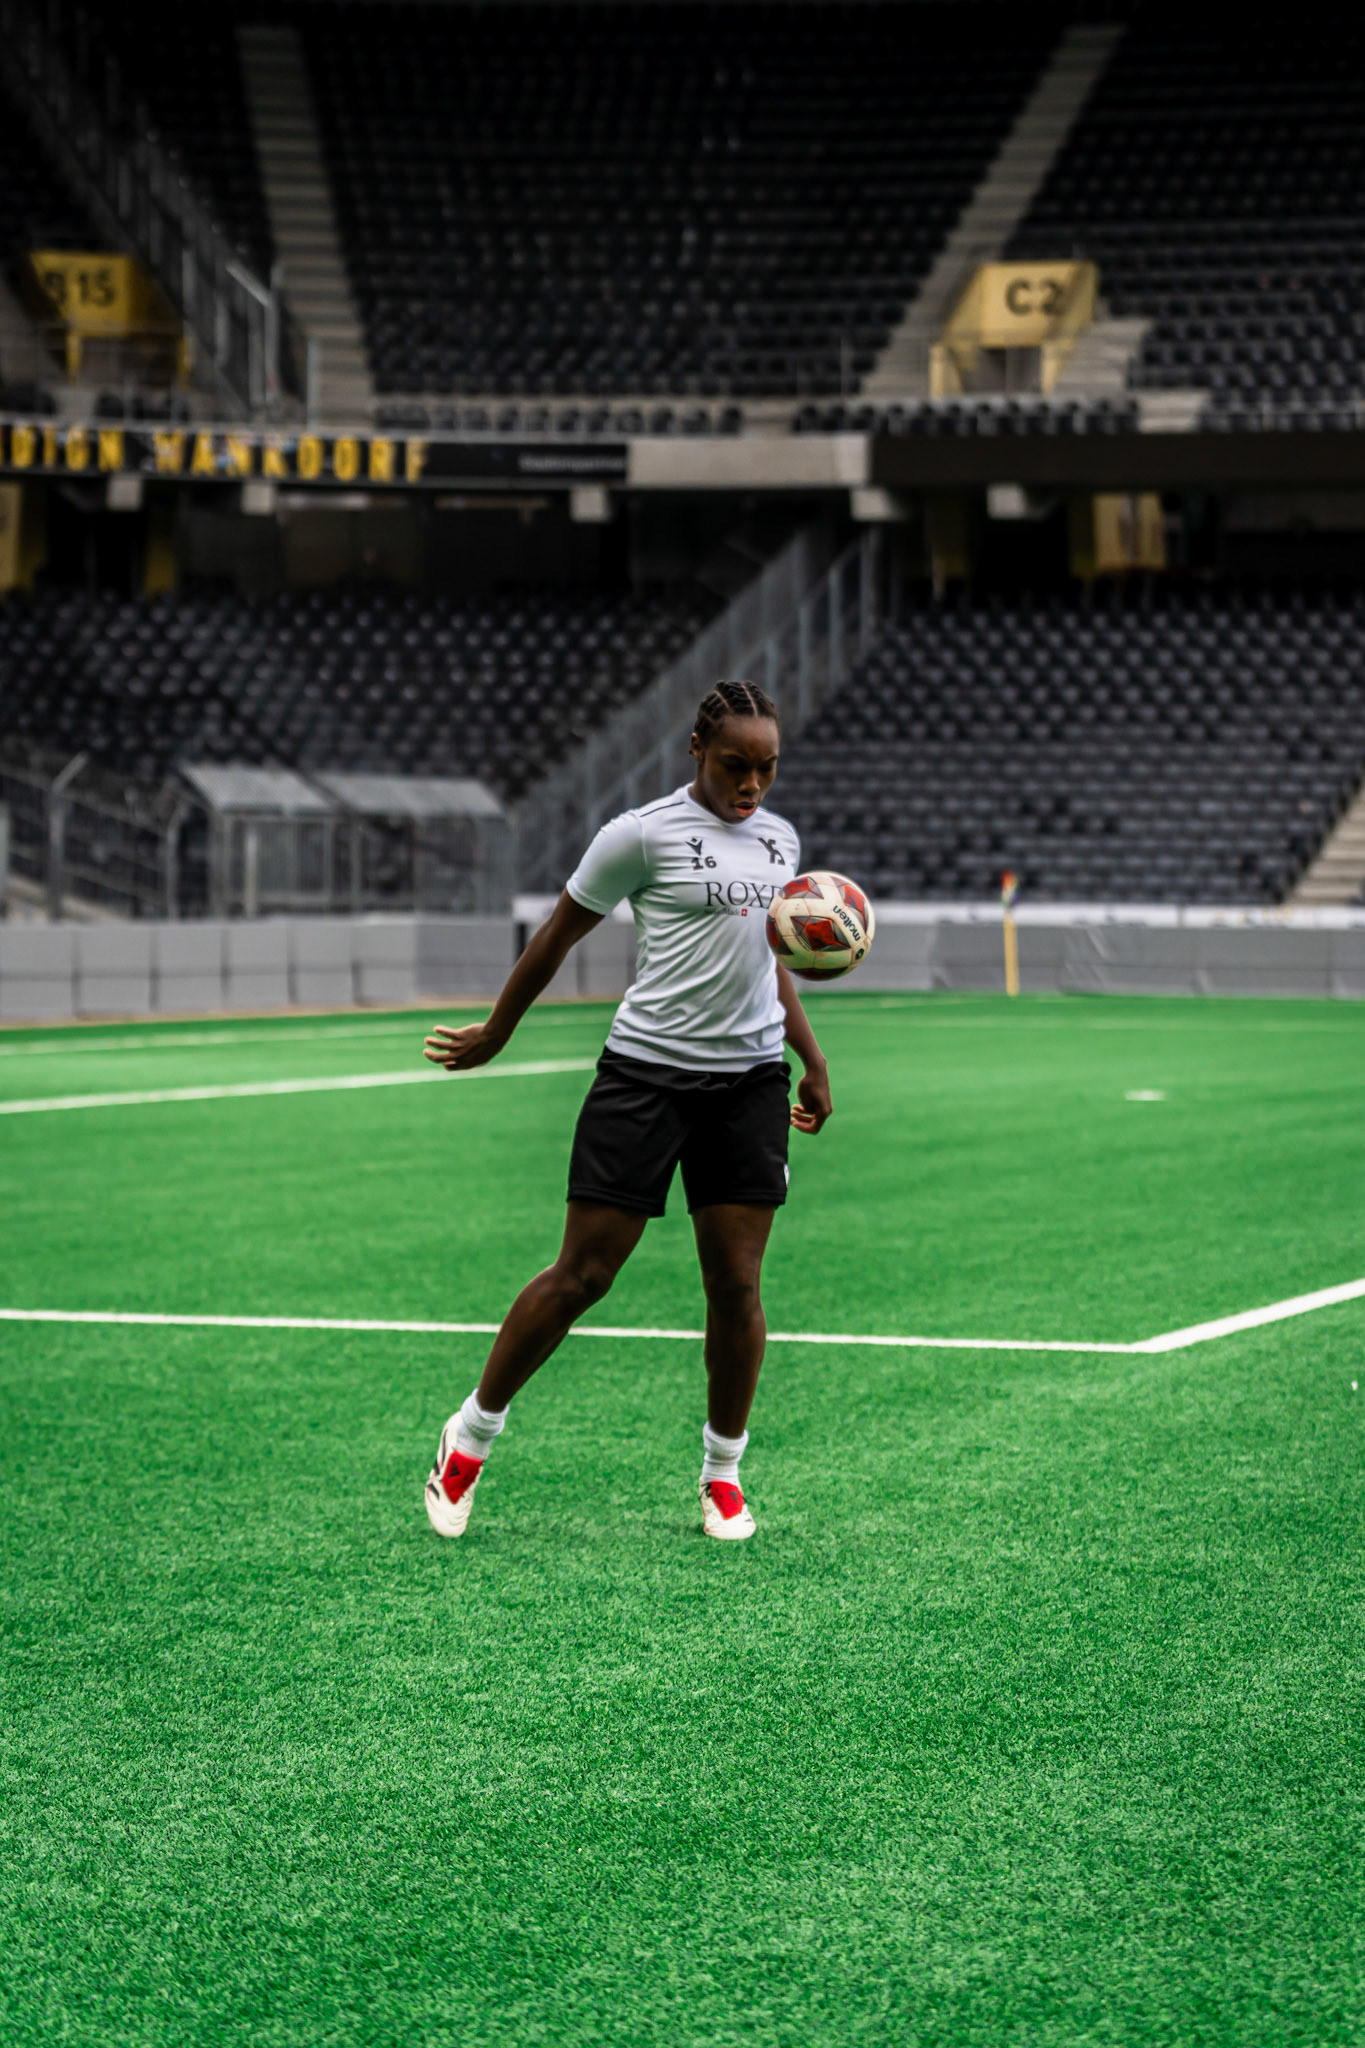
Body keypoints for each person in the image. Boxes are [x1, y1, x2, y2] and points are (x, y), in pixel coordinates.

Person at [422, 678, 832, 1542]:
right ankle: (469, 1437)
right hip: (645, 1077)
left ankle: (722, 1473)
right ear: (696, 751)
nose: (750, 785)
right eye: (734, 766)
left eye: (766, 768)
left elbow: (769, 960)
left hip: (748, 1082)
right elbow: (556, 934)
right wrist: (500, 1030)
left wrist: (811, 1058)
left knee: (736, 1283)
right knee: (583, 1275)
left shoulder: (780, 842)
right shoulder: (639, 835)